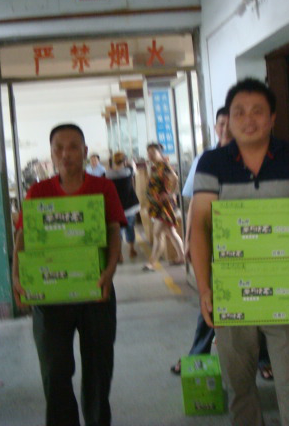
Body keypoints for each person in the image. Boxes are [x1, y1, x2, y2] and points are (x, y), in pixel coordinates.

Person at [190, 78, 289, 426]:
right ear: (228, 118)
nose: (248, 120)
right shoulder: (212, 162)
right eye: (239, 112)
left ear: (272, 118)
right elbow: (200, 228)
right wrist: (205, 289)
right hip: (231, 291)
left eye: (257, 111)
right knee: (239, 389)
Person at [11, 124, 126, 426]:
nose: (66, 154)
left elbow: (113, 231)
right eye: (58, 148)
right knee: (55, 372)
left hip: (96, 291)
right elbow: (23, 237)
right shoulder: (38, 192)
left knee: (99, 372)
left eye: (73, 146)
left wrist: (110, 271)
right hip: (51, 296)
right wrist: (17, 277)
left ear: (85, 152)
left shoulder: (103, 188)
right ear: (51, 155)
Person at [170, 106, 274, 379]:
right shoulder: (205, 160)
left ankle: (263, 358)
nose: (225, 129)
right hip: (215, 241)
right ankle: (197, 355)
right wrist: (190, 238)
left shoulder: (254, 157)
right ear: (215, 128)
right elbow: (195, 204)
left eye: (230, 123)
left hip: (251, 239)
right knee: (213, 297)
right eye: (221, 124)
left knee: (256, 297)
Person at [144, 143, 185, 271]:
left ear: (160, 153)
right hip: (157, 205)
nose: (150, 154)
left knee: (157, 233)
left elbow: (175, 179)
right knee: (171, 232)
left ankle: (152, 263)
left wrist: (170, 193)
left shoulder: (164, 165)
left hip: (164, 206)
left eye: (153, 152)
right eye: (149, 152)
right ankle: (182, 257)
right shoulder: (154, 167)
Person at [106, 151, 140, 262]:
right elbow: (134, 168)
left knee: (117, 232)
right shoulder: (128, 171)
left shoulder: (107, 175)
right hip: (130, 207)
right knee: (130, 228)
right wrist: (129, 162)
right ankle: (131, 249)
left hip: (116, 208)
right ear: (124, 161)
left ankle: (119, 254)